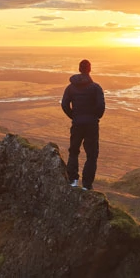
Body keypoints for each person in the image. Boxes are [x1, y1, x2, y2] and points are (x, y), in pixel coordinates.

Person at [61, 59, 105, 190]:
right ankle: (86, 185)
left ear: (79, 69)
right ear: (89, 69)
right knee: (91, 154)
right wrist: (95, 117)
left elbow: (64, 105)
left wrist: (74, 116)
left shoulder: (70, 87)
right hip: (91, 125)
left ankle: (73, 180)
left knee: (74, 151)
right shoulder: (96, 87)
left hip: (77, 124)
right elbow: (101, 106)